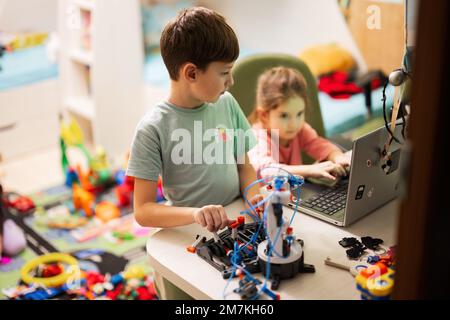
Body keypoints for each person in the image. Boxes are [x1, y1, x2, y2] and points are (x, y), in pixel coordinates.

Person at [126, 8, 262, 298]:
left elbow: (244, 167)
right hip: (192, 237)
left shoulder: (227, 104)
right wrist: (196, 214)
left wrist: (256, 196)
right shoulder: (153, 128)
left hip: (239, 222)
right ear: (191, 72)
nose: (231, 82)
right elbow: (143, 211)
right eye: (224, 73)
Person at [248, 67, 351, 181]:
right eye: (284, 116)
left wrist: (337, 156)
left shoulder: (300, 129)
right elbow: (265, 170)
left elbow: (318, 144)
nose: (294, 124)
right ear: (264, 115)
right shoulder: (256, 138)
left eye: (299, 113)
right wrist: (311, 170)